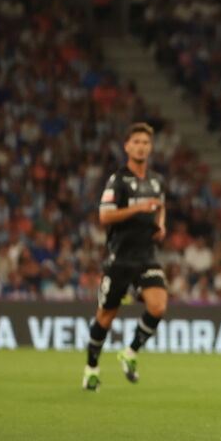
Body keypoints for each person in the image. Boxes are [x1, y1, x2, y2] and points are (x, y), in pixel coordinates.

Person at [83, 123, 168, 391]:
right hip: (120, 258)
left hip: (146, 256)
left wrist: (161, 224)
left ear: (150, 147)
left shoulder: (156, 181)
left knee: (158, 306)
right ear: (127, 147)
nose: (141, 146)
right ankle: (92, 368)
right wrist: (138, 208)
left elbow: (160, 205)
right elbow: (105, 216)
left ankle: (130, 352)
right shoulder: (117, 180)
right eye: (137, 142)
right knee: (106, 316)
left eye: (145, 142)